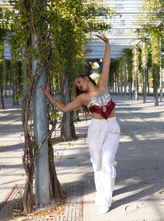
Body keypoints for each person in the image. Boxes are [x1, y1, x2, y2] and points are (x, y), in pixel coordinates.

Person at [42, 34, 120, 214]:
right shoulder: (82, 98)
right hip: (96, 131)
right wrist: (48, 96)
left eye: (79, 82)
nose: (78, 86)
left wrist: (107, 43)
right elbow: (63, 108)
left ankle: (104, 200)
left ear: (86, 78)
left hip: (112, 128)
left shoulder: (102, 84)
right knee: (97, 165)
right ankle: (102, 192)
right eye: (76, 85)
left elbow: (106, 62)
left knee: (107, 161)